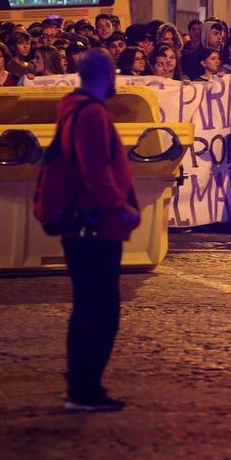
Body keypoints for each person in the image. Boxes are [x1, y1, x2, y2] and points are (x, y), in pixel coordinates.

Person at [57, 48, 141, 411]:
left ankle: (80, 383)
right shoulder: (92, 115)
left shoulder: (74, 108)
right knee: (100, 310)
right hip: (95, 227)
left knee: (88, 306)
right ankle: (85, 388)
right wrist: (122, 209)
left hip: (82, 226)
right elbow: (97, 173)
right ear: (107, 75)